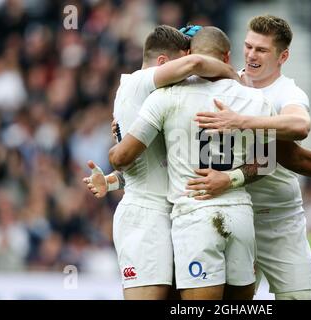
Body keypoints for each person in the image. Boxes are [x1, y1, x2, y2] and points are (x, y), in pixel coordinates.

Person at [189, 15, 311, 300]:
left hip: (281, 218)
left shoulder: (287, 92)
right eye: (249, 46)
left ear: (284, 56)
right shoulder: (226, 86)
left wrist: (241, 121)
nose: (252, 55)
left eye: (262, 50)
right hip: (236, 214)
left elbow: (299, 128)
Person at [108, 26, 277, 300]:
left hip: (194, 216)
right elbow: (267, 162)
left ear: (189, 57)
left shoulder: (165, 97)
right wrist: (231, 178)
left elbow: (123, 157)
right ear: (227, 56)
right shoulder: (256, 99)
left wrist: (118, 139)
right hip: (240, 214)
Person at [83, 25, 239, 300]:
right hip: (144, 216)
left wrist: (112, 179)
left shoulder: (158, 102)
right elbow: (196, 62)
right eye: (183, 68)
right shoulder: (139, 81)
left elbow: (155, 160)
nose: (190, 77)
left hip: (172, 214)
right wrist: (234, 76)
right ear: (164, 63)